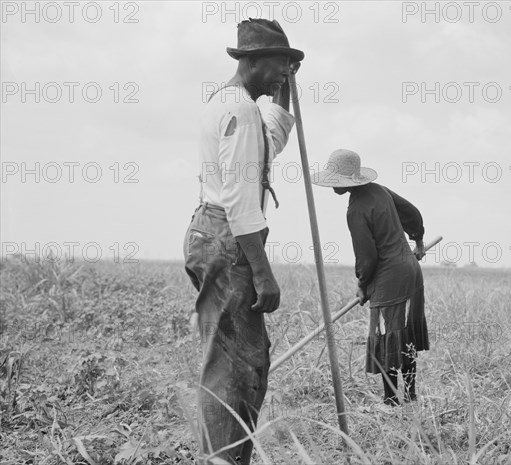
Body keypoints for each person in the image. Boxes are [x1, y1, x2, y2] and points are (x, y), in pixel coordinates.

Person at [183, 19, 303, 464]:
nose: (283, 74)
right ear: (250, 61)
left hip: (210, 230)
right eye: (279, 64)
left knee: (235, 356)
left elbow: (273, 134)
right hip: (228, 236)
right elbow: (238, 198)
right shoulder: (239, 112)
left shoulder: (237, 106)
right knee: (235, 362)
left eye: (290, 68)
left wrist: (285, 89)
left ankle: (225, 455)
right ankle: (224, 459)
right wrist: (262, 271)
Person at [312, 149, 429, 405]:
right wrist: (418, 239)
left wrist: (362, 284)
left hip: (390, 278)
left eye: (337, 181)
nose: (333, 186)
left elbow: (367, 258)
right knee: (405, 334)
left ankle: (391, 401)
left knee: (387, 336)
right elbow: (411, 211)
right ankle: (410, 396)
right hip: (411, 271)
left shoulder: (355, 210)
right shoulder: (380, 191)